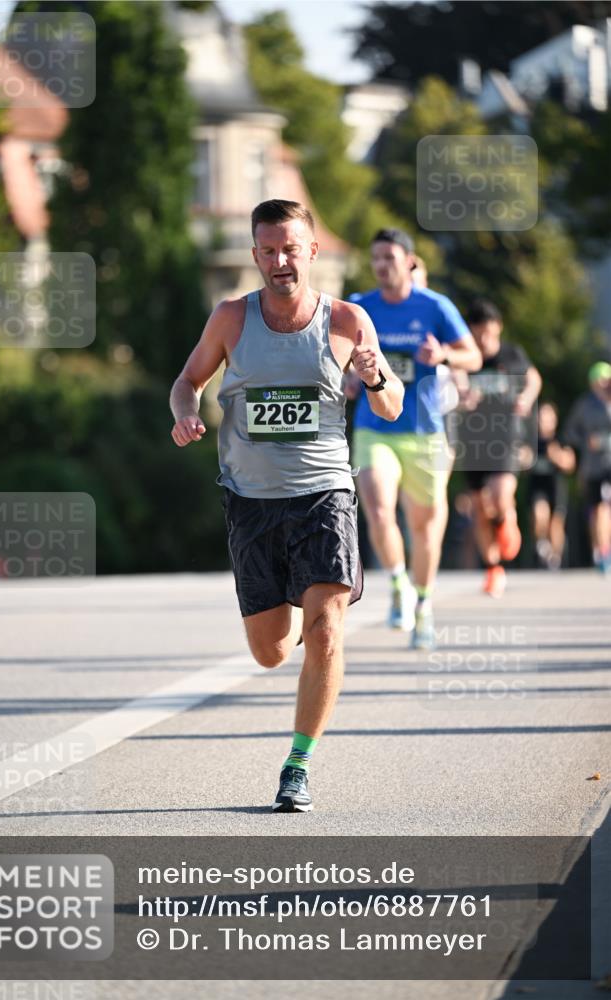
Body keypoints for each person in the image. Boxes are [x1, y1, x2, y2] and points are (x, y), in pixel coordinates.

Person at [170, 199, 403, 812]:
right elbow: (188, 381)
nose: (280, 262)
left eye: (291, 249)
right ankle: (300, 609)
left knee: (326, 632)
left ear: (312, 252)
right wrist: (186, 413)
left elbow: (391, 407)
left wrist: (376, 377)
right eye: (269, 251)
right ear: (255, 255)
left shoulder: (347, 320)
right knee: (271, 651)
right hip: (251, 502)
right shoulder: (231, 318)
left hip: (325, 494)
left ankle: (297, 765)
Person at [349, 229, 481, 649]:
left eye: (389, 257)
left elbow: (474, 355)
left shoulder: (434, 307)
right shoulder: (360, 308)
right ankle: (398, 583)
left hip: (424, 431)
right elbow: (337, 358)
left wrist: (444, 355)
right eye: (376, 258)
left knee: (425, 529)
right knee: (378, 508)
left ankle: (423, 604)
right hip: (375, 427)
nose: (381, 265)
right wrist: (348, 377)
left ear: (409, 261)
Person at [458, 299, 542, 597]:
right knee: (480, 509)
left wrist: (526, 399)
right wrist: (462, 395)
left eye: (489, 333)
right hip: (472, 440)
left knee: (500, 495)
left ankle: (507, 520)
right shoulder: (464, 357)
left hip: (505, 437)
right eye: (478, 333)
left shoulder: (512, 354)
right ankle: (493, 569)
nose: (484, 339)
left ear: (498, 328)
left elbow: (534, 379)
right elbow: (454, 381)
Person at [564, 361, 611, 574]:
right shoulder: (584, 405)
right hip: (594, 467)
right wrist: (586, 441)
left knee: (605, 509)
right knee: (598, 509)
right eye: (600, 380)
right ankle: (601, 551)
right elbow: (570, 431)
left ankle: (604, 549)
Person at [527, 402, 575, 569]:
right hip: (537, 486)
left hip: (556, 486)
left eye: (548, 417)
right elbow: (522, 461)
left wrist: (557, 456)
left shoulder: (561, 439)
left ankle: (555, 558)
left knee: (556, 523)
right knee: (540, 514)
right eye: (541, 417)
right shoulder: (530, 440)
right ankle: (542, 543)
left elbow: (570, 464)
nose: (544, 421)